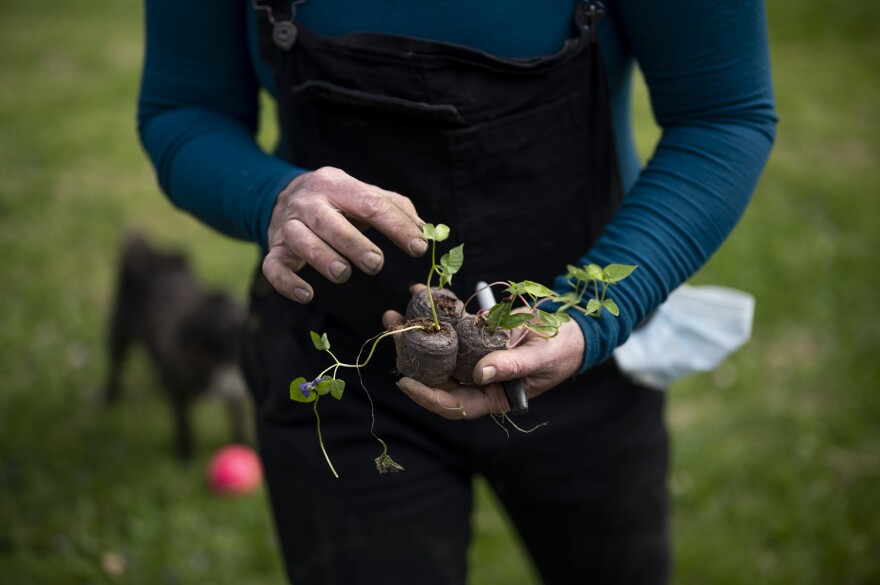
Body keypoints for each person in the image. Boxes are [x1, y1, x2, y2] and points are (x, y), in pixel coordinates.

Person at [137, 1, 777, 583]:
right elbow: (184, 108)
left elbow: (722, 115)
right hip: (339, 367)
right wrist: (271, 197)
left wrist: (590, 313)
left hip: (587, 366)